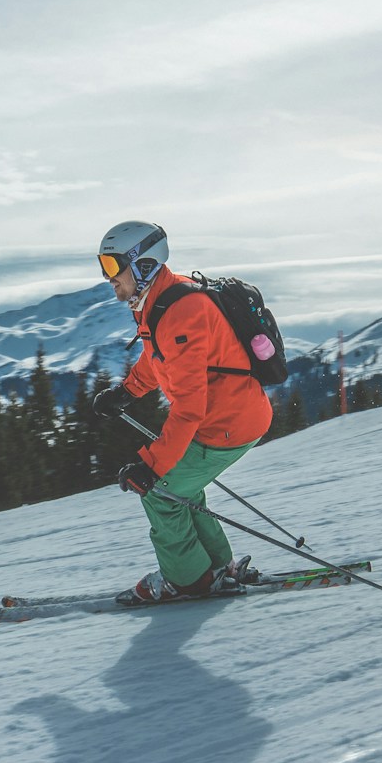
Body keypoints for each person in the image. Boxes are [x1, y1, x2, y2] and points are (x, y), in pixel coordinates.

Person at [91, 220, 274, 604]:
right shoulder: (158, 302)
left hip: (226, 425)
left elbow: (190, 409)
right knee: (183, 490)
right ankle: (217, 567)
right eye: (103, 266)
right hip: (230, 417)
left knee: (160, 492)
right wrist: (126, 393)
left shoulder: (180, 312)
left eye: (112, 266)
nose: (108, 278)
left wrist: (151, 467)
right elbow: (156, 359)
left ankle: (189, 580)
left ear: (142, 264)